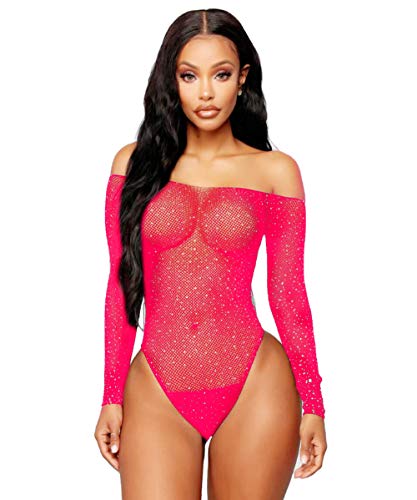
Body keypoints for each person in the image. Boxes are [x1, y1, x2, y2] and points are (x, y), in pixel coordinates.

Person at [94, 8, 327, 499]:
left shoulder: (275, 171)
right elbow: (120, 284)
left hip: (255, 384)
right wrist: (111, 394)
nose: (205, 93)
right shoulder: (133, 165)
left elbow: (287, 292)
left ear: (242, 78)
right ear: (171, 80)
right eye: (189, 76)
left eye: (220, 75)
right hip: (156, 386)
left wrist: (314, 402)